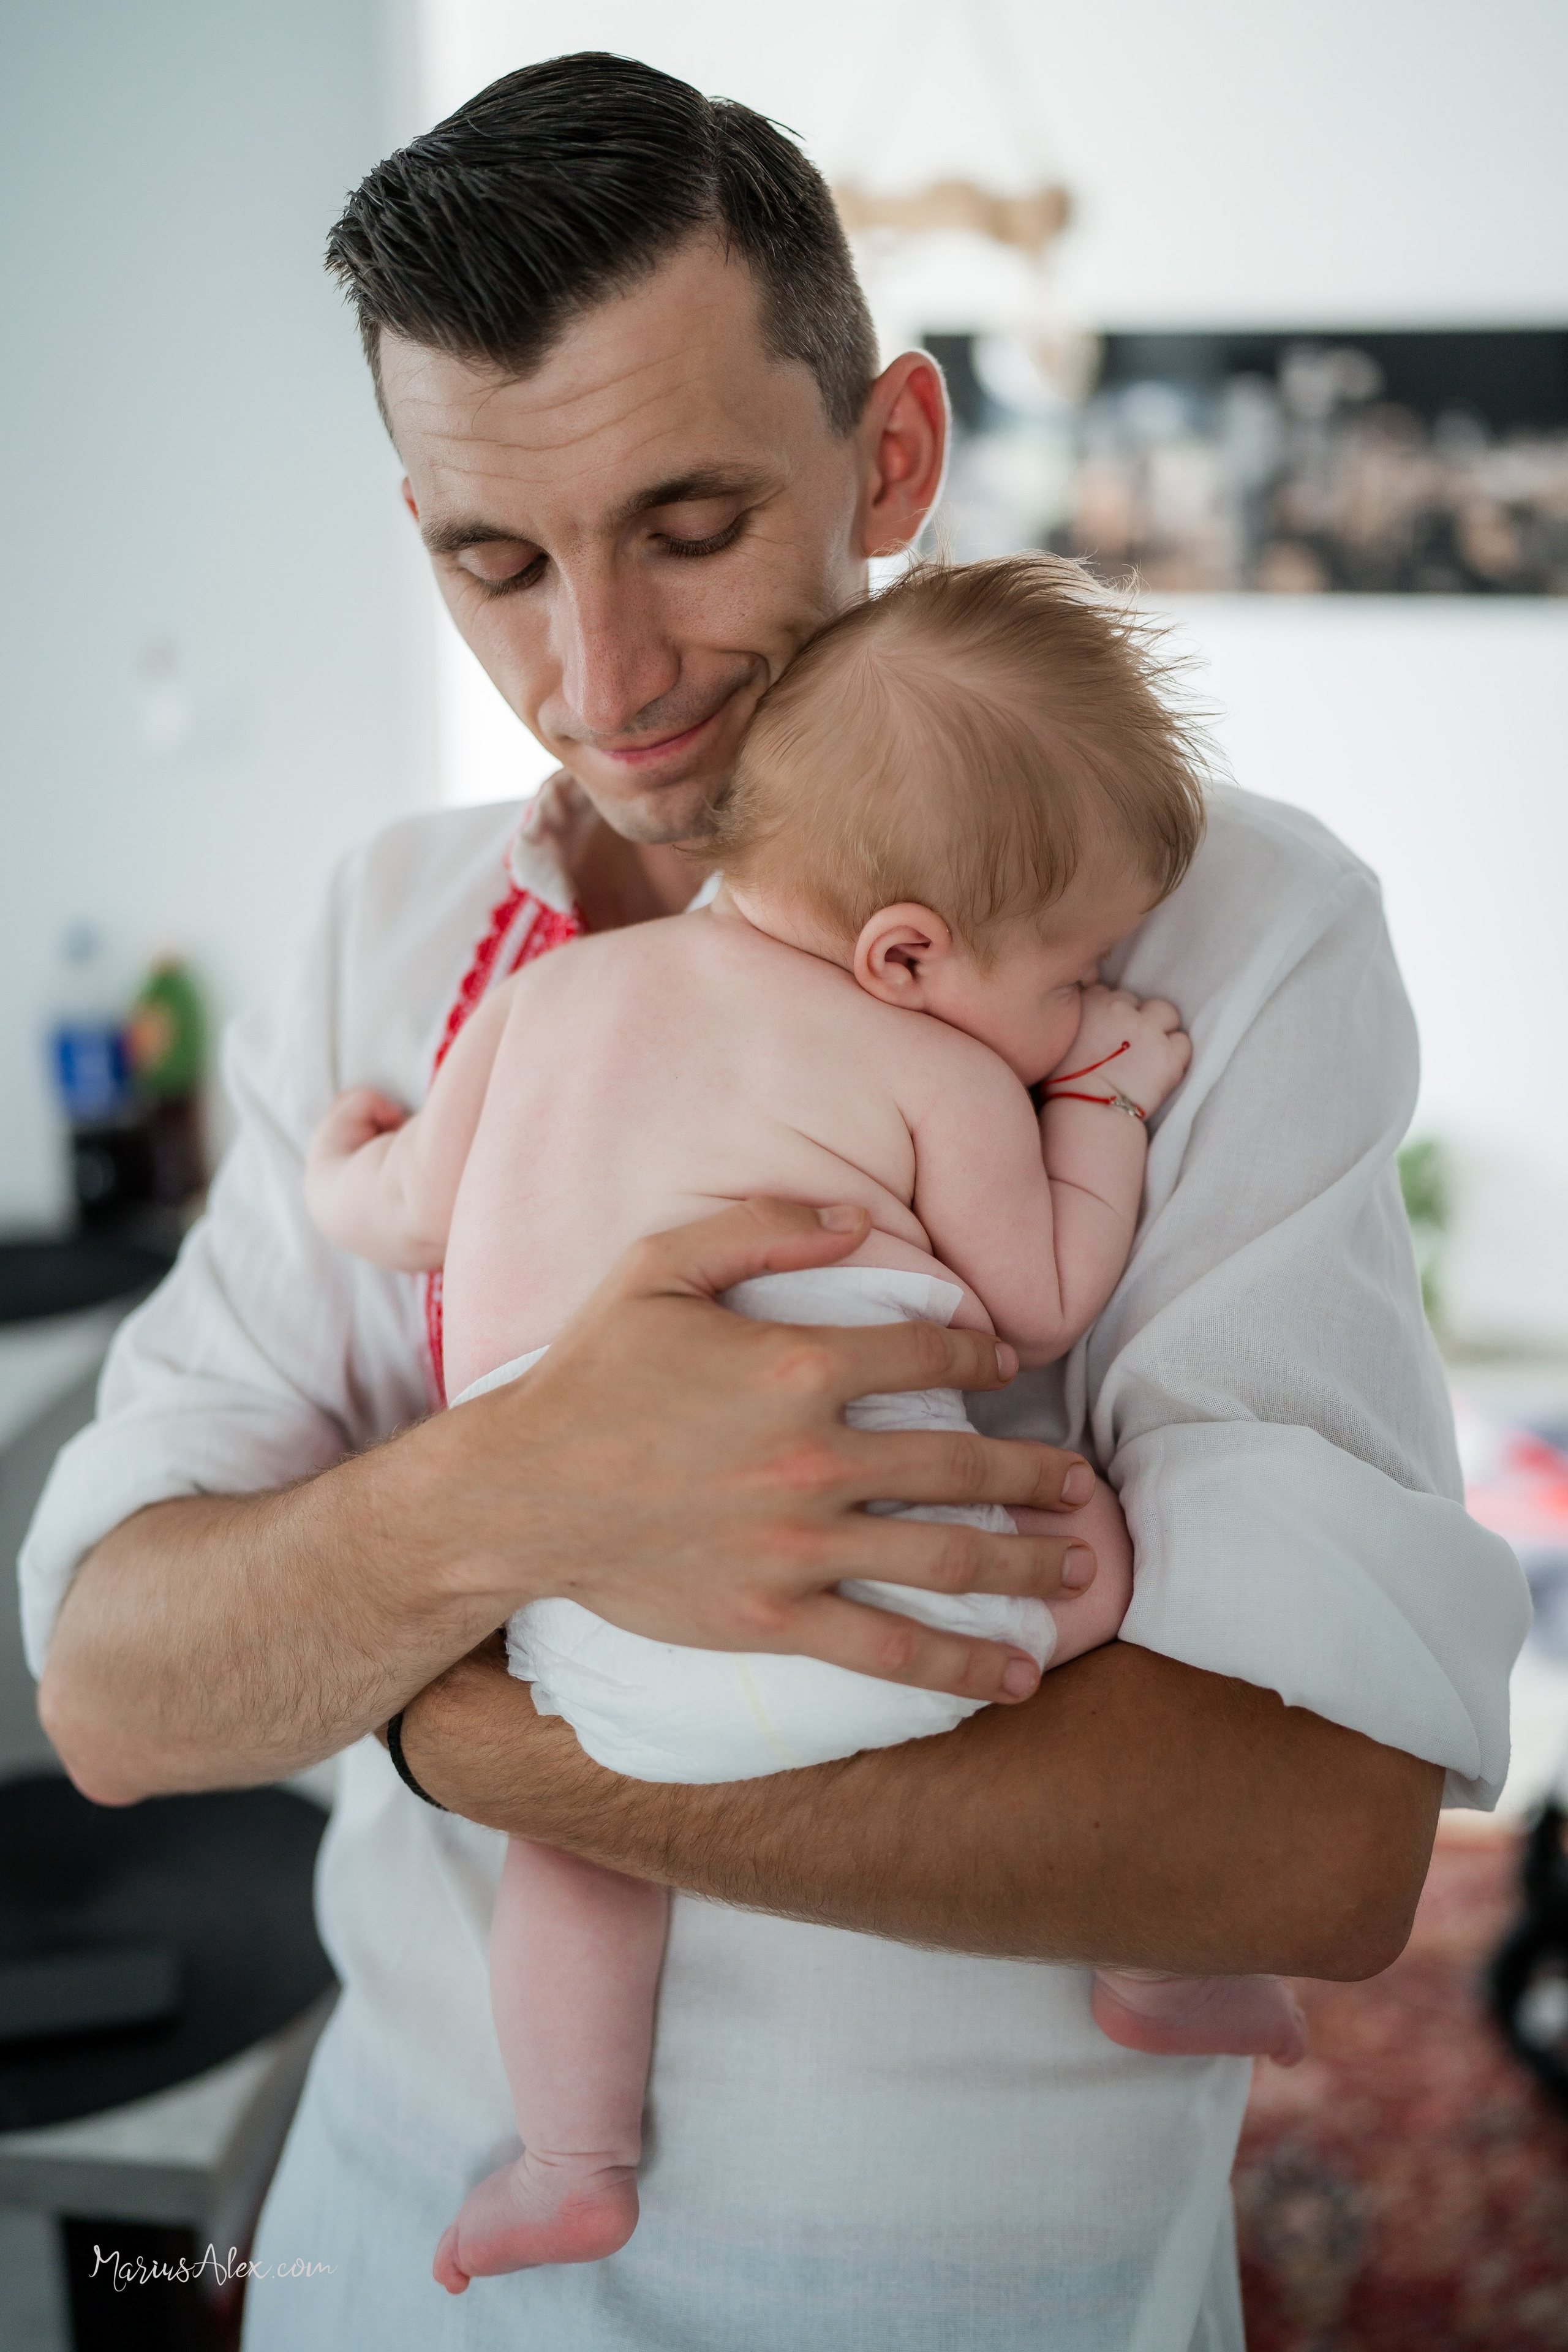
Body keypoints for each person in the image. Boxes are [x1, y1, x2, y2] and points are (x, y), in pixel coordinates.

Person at [21, 54, 1525, 2352]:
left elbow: (1308, 1847)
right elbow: (117, 1680)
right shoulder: (401, 934)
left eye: (690, 524)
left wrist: (451, 1717)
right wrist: (525, 1491)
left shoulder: (1219, 937)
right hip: (389, 2273)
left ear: (892, 455)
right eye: (491, 562)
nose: (593, 683)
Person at [304, 553, 1309, 2290]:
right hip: (900, 1618)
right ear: (904, 956)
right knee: (1092, 1540)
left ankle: (572, 2157)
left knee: (576, 1847)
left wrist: (336, 1162)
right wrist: (1109, 1098)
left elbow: (396, 1214)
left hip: (595, 1647)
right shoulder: (931, 1069)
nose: (1078, 1007)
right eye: (1069, 973)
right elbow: (1039, 1299)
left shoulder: (540, 1003)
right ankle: (1153, 1968)